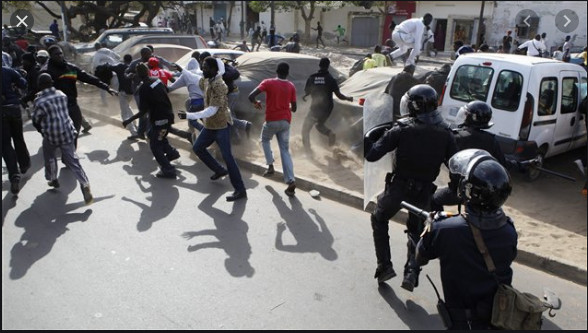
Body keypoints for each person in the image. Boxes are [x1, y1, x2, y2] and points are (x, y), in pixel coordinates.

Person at [363, 84, 457, 289]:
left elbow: (372, 155)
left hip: (399, 187)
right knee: (416, 230)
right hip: (424, 191)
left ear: (414, 106)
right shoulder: (446, 133)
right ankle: (412, 272)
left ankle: (385, 266)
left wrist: (370, 136)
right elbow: (455, 166)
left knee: (379, 218)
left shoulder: (401, 129)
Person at [416, 150, 517, 330]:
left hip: (463, 323)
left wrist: (431, 225)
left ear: (468, 191)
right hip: (498, 319)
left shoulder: (444, 229)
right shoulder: (509, 230)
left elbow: (420, 255)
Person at [431, 101, 517, 212]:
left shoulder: (456, 137)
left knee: (434, 200)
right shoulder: (491, 141)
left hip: (457, 191)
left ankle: (439, 225)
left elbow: (441, 157)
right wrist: (522, 165)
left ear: (470, 118)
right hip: (480, 194)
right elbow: (502, 163)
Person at [182, 57, 247, 202]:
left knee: (228, 157)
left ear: (213, 69)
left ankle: (240, 190)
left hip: (221, 125)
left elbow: (211, 110)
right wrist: (182, 70)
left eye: (205, 67)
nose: (202, 69)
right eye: (202, 66)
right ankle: (218, 169)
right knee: (198, 147)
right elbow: (194, 77)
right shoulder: (207, 80)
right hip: (210, 125)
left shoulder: (219, 85)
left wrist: (188, 115)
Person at [32, 73, 94, 204]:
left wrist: (41, 129)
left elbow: (36, 119)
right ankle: (84, 183)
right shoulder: (62, 95)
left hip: (51, 134)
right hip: (67, 131)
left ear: (40, 86)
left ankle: (52, 178)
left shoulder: (39, 101)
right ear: (51, 83)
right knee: (73, 160)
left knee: (49, 156)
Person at [43, 45, 117, 148]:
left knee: (74, 132)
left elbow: (88, 77)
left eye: (61, 53)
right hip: (56, 108)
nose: (60, 56)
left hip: (72, 105)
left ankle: (70, 154)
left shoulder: (70, 68)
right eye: (56, 54)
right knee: (60, 135)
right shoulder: (47, 71)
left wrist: (106, 87)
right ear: (51, 56)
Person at [122, 63, 180, 179]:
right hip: (168, 115)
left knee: (155, 145)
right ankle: (171, 153)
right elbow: (165, 90)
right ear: (148, 71)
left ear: (138, 74)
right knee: (153, 134)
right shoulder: (157, 80)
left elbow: (143, 111)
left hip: (159, 120)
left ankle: (168, 169)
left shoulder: (144, 88)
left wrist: (129, 120)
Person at [248, 62, 298, 196]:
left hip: (271, 121)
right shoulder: (291, 86)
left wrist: (256, 103)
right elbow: (294, 108)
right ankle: (291, 181)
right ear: (287, 73)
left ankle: (270, 166)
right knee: (285, 151)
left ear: (276, 71)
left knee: (264, 140)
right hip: (286, 122)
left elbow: (251, 96)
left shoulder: (268, 82)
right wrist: (286, 107)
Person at [302, 57, 353, 155]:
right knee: (319, 125)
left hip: (316, 108)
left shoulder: (312, 78)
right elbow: (339, 95)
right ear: (328, 66)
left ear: (319, 65)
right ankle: (330, 135)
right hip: (327, 109)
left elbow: (307, 91)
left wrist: (306, 95)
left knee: (305, 130)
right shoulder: (330, 79)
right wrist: (348, 98)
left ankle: (308, 152)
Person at [95, 54, 141, 140]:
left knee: (124, 113)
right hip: (132, 92)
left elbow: (109, 66)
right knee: (127, 107)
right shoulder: (134, 67)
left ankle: (133, 132)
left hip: (123, 92)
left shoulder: (120, 66)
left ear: (124, 59)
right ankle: (135, 125)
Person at [2, 65, 29, 195]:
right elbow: (23, 84)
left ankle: (14, 176)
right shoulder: (8, 70)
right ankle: (24, 164)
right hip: (13, 109)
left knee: (5, 145)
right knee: (18, 138)